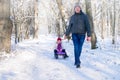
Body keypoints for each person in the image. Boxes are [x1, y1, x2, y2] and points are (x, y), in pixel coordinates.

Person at [64, 3, 91, 68]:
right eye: (76, 8)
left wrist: (89, 35)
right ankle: (77, 62)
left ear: (80, 8)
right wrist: (66, 34)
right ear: (74, 9)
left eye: (78, 7)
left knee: (80, 48)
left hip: (82, 35)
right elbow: (69, 26)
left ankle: (77, 59)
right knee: (76, 47)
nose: (77, 8)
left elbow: (88, 26)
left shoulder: (85, 16)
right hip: (74, 35)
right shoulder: (72, 17)